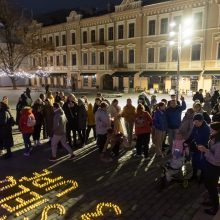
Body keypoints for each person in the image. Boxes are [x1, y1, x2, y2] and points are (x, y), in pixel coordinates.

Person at [198, 122, 220, 216]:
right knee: (207, 184)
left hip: (215, 167)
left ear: (217, 130)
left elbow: (217, 160)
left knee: (212, 187)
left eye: (211, 129)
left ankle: (215, 207)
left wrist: (205, 150)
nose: (210, 130)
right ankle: (211, 200)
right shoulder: (214, 137)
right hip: (209, 165)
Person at [185, 113, 210, 181]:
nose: (195, 123)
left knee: (202, 163)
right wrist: (187, 141)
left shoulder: (206, 128)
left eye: (196, 122)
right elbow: (192, 135)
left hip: (203, 149)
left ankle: (202, 177)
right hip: (195, 148)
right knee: (194, 162)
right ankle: (194, 175)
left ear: (201, 121)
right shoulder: (195, 126)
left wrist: (201, 146)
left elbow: (207, 140)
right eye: (194, 122)